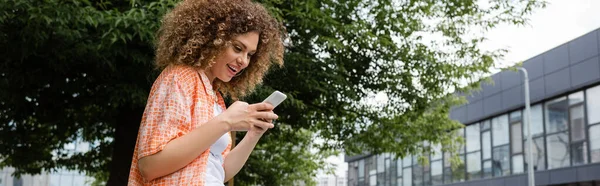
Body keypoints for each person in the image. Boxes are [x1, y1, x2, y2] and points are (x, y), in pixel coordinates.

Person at [127, 0, 285, 185]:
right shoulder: (179, 78)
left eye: (250, 54)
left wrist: (253, 134)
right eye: (237, 48)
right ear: (212, 39)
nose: (244, 61)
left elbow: (220, 172)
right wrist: (226, 121)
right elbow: (150, 165)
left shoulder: (215, 98)